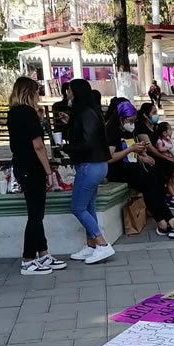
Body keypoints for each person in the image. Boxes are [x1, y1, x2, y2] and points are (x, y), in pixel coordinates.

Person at [105, 101, 174, 238]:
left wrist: (142, 155)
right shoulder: (112, 132)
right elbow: (110, 157)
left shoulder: (128, 130)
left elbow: (131, 150)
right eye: (130, 121)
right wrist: (132, 149)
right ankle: (167, 222)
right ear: (121, 119)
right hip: (117, 170)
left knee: (155, 177)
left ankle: (167, 222)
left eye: (134, 121)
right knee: (149, 182)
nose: (132, 124)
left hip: (131, 165)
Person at [6, 76, 66, 276]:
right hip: (32, 167)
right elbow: (38, 145)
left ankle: (43, 253)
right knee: (35, 215)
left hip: (21, 165)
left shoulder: (14, 113)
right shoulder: (27, 113)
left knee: (37, 214)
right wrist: (48, 171)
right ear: (30, 93)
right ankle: (28, 259)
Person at [61, 78, 115, 264]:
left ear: (75, 93)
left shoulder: (85, 114)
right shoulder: (91, 112)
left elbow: (87, 143)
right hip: (97, 164)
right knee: (88, 207)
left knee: (78, 207)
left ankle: (102, 243)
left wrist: (66, 148)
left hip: (90, 165)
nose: (66, 95)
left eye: (68, 91)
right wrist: (69, 123)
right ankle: (91, 244)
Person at [134, 102, 174, 210]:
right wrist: (167, 157)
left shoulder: (155, 126)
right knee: (164, 166)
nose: (156, 115)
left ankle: (170, 189)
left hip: (161, 153)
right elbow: (150, 148)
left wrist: (172, 156)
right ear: (146, 115)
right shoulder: (140, 127)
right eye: (154, 112)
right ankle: (164, 194)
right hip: (153, 155)